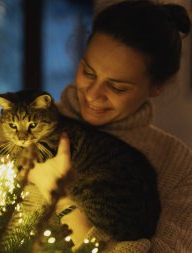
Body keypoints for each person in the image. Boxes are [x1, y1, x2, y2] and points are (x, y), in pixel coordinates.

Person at [29, 0, 192, 252]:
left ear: (157, 86)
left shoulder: (176, 164)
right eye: (89, 72)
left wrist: (61, 200)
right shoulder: (24, 124)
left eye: (117, 87)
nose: (93, 94)